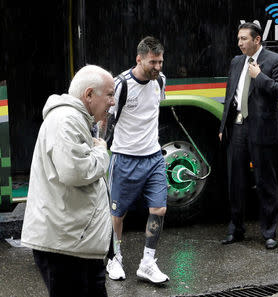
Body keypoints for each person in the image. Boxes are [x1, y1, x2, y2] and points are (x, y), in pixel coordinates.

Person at [21, 65, 115, 297]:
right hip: (66, 247)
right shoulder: (66, 120)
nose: (113, 102)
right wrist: (102, 153)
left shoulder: (75, 118)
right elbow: (75, 171)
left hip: (75, 243)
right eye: (110, 94)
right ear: (89, 94)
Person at [218, 22, 278, 249]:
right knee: (235, 181)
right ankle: (236, 229)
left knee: (265, 181)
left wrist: (259, 76)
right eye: (238, 39)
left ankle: (269, 232)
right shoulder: (236, 62)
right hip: (238, 127)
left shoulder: (276, 61)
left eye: (244, 39)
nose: (239, 43)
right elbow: (230, 95)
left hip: (262, 130)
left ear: (257, 40)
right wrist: (223, 127)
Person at [106, 36, 169, 283]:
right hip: (124, 158)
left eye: (160, 61)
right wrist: (102, 147)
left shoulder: (160, 81)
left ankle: (148, 262)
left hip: (153, 157)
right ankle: (115, 258)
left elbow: (153, 114)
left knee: (159, 208)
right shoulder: (120, 85)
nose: (157, 67)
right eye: (153, 62)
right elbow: (106, 121)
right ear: (139, 59)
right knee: (117, 215)